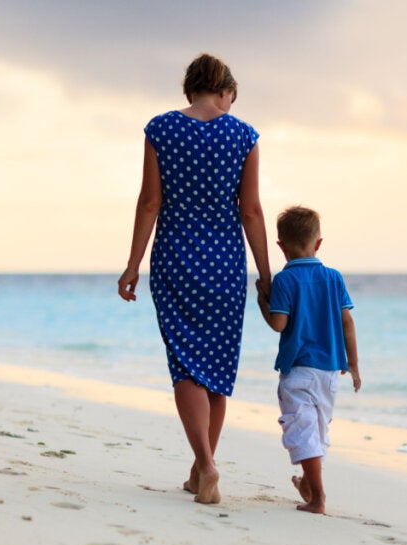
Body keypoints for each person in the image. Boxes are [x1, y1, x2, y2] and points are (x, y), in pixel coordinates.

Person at [118, 54, 271, 505]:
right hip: (225, 265)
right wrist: (265, 275)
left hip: (176, 260)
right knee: (218, 368)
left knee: (186, 362)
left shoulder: (161, 129)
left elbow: (150, 202)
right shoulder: (243, 134)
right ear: (225, 92)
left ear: (190, 89)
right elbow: (251, 211)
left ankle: (203, 467)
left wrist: (132, 264)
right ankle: (202, 466)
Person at [255, 206, 361, 514]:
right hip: (330, 371)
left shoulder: (285, 281)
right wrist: (353, 364)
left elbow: (278, 325)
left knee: (302, 430)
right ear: (318, 243)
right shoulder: (333, 278)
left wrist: (263, 299)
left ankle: (317, 498)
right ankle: (308, 482)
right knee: (317, 430)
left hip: (299, 369)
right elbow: (347, 323)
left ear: (280, 246)